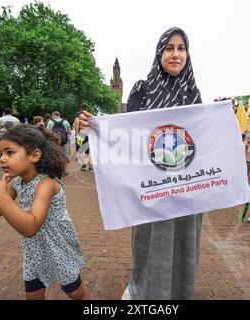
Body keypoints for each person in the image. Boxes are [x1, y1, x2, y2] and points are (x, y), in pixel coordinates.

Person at [81, 27, 203, 299]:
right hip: (153, 187)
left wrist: (225, 119)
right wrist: (96, 127)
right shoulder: (142, 90)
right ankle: (146, 292)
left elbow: (202, 139)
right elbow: (128, 135)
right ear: (159, 53)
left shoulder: (194, 93)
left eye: (181, 48)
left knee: (184, 243)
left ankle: (180, 293)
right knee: (151, 243)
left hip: (187, 190)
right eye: (169, 48)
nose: (175, 54)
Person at [0, 124, 90, 300]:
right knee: (33, 295)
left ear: (34, 155)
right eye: (1, 152)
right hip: (34, 249)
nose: (2, 158)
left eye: (9, 153)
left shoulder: (46, 183)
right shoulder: (17, 182)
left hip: (57, 246)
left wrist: (0, 197)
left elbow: (31, 226)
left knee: (76, 293)